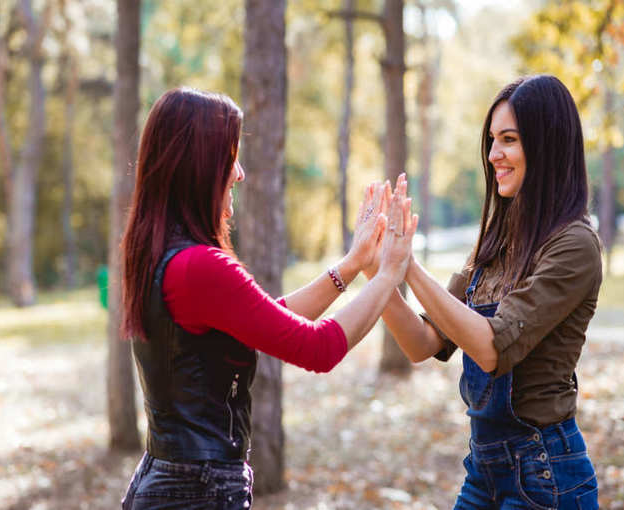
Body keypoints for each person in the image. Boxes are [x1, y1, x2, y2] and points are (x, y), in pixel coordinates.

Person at [119, 87, 417, 510]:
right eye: (230, 157)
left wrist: (351, 266)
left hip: (168, 479)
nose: (239, 173)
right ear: (200, 166)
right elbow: (319, 348)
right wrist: (387, 275)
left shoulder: (162, 253)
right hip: (197, 491)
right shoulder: (200, 267)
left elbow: (264, 322)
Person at [367, 75, 601, 509]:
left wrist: (408, 266)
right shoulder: (495, 243)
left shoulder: (574, 246)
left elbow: (492, 349)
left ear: (546, 145)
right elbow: (423, 343)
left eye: (509, 139)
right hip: (483, 470)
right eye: (492, 140)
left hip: (545, 474)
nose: (494, 154)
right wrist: (376, 270)